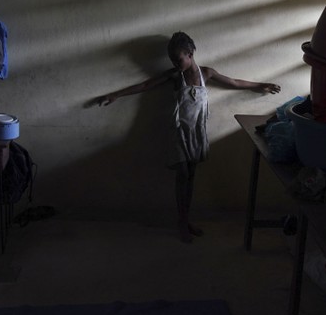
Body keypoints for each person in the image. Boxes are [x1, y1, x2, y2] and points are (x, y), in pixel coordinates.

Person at [93, 32, 280, 243]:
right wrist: (115, 95)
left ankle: (186, 219)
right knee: (182, 175)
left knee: (190, 176)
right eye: (172, 59)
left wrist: (259, 85)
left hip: (197, 132)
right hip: (180, 132)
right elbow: (146, 85)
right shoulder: (175, 76)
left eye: (178, 59)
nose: (175, 63)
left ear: (190, 54)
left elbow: (234, 82)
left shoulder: (206, 73)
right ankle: (182, 222)